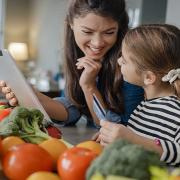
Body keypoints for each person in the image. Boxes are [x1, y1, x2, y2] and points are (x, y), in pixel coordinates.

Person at [0, 0, 143, 127]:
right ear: (71, 24)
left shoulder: (132, 64)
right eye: (87, 32)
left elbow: (115, 129)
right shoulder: (78, 56)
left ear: (119, 28)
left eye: (109, 32)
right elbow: (73, 110)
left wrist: (89, 86)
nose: (98, 43)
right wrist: (36, 98)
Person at [99, 24, 180, 166]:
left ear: (148, 77)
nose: (118, 62)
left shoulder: (176, 112)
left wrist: (133, 139)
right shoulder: (145, 105)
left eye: (124, 60)